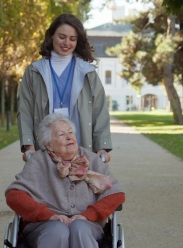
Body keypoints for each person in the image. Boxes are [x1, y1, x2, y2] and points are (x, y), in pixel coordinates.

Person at [6, 113, 125, 248]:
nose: (69, 136)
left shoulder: (92, 159)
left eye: (71, 132)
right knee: (58, 230)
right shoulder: (39, 161)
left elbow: (116, 194)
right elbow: (14, 195)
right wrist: (48, 215)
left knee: (79, 227)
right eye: (61, 135)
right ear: (48, 144)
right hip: (44, 226)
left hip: (87, 225)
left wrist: (88, 216)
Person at [18, 13, 112, 164]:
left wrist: (102, 147)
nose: (66, 43)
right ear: (52, 36)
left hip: (80, 143)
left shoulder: (88, 72)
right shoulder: (34, 71)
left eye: (72, 39)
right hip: (47, 144)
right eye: (62, 37)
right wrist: (29, 146)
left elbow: (99, 111)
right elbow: (25, 110)